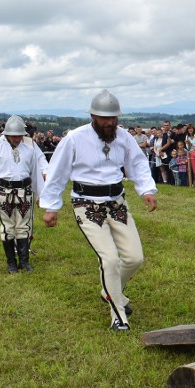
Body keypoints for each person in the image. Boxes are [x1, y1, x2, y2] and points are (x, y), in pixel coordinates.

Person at [40, 90, 157, 332]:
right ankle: (118, 315)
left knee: (135, 258)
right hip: (86, 204)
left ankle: (109, 290)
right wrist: (51, 206)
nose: (110, 122)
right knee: (109, 259)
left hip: (117, 202)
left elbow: (137, 163)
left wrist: (146, 189)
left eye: (113, 118)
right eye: (105, 118)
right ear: (93, 115)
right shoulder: (74, 138)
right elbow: (57, 172)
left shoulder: (123, 137)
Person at [0, 115, 43, 273]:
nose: (16, 139)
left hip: (25, 192)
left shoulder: (29, 151)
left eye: (19, 136)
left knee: (23, 226)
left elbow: (35, 174)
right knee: (7, 227)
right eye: (13, 136)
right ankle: (11, 263)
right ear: (6, 135)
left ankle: (24, 261)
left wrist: (41, 195)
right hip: (4, 193)